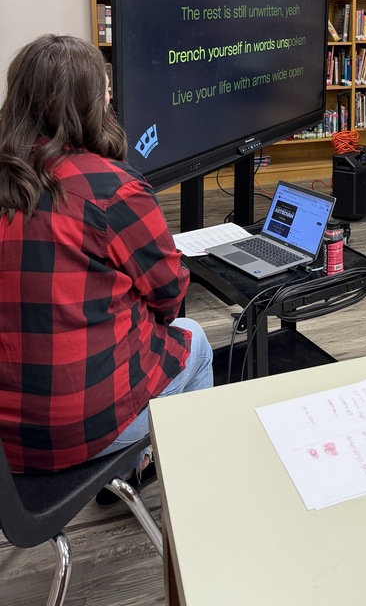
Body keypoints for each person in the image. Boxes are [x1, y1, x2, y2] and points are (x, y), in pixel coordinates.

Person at [0, 35, 213, 477]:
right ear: (90, 103)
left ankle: (132, 463)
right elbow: (170, 295)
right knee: (195, 340)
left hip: (9, 445)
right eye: (105, 89)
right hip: (79, 430)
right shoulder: (112, 188)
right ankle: (185, 482)